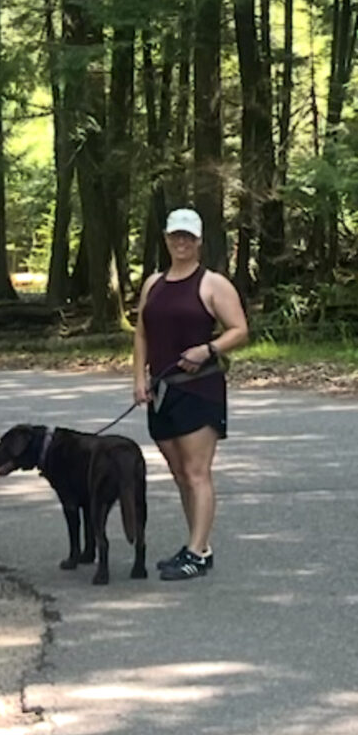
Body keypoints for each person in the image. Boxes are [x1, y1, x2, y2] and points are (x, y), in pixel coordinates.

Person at [133, 207, 249, 580]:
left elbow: (239, 330)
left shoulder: (213, 284)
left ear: (199, 241)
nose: (181, 242)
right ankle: (196, 544)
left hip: (200, 389)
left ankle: (197, 551)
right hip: (162, 389)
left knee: (198, 471)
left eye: (188, 236)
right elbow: (141, 333)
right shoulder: (153, 283)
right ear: (166, 239)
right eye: (174, 236)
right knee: (180, 471)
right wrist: (139, 378)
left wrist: (209, 349)